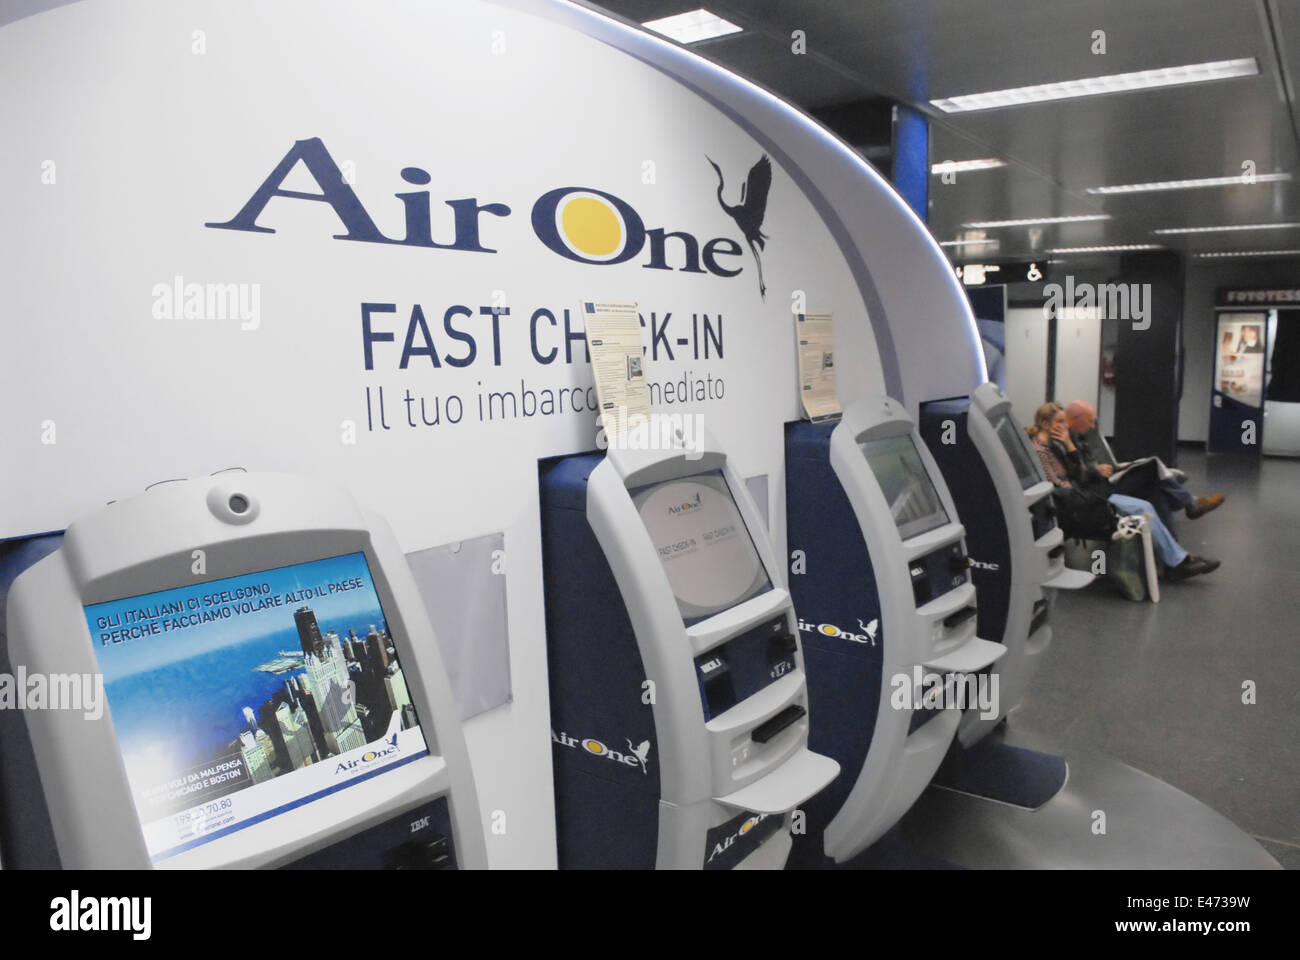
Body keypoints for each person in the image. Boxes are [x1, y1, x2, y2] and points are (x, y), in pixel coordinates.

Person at [1030, 403, 1219, 581]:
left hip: (1085, 495)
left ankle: (1177, 559)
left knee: (1153, 497)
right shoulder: (1040, 450)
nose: (1065, 426)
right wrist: (1086, 469)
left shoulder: (1059, 444)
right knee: (1148, 486)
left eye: (1065, 421)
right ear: (1045, 424)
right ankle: (1182, 539)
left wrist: (1070, 447)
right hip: (1080, 502)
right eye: (1060, 422)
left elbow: (1077, 473)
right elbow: (1059, 484)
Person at [1063, 400, 1224, 526]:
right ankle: (1191, 503)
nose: (1092, 426)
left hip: (1103, 480)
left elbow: (1086, 462)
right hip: (1098, 490)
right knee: (1153, 467)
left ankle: (1177, 559)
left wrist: (1097, 467)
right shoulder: (1065, 440)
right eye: (1089, 421)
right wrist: (1095, 469)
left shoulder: (1078, 437)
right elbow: (1076, 472)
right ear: (1076, 418)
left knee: (1156, 492)